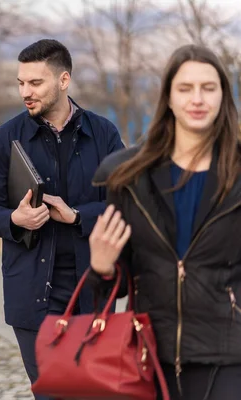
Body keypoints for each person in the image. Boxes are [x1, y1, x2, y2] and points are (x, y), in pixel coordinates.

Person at [89, 44, 241, 400]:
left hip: (229, 350)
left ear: (223, 96)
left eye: (209, 87)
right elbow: (120, 280)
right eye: (185, 88)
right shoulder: (128, 175)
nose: (197, 98)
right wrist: (101, 266)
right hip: (147, 350)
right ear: (168, 99)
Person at [0, 38, 124, 399]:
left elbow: (126, 205)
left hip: (92, 289)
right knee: (54, 393)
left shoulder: (104, 134)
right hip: (32, 294)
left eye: (35, 83)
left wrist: (77, 216)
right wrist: (15, 219)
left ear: (63, 80)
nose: (26, 92)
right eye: (21, 83)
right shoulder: (3, 139)